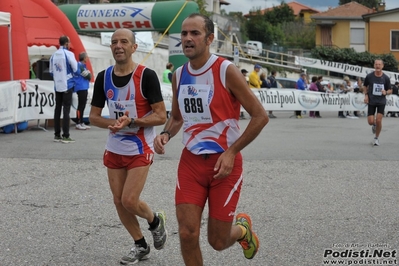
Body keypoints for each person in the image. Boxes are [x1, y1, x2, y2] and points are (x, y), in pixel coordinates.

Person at [153, 13, 268, 265]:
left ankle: (242, 231)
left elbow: (260, 116)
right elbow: (177, 117)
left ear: (209, 39)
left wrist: (231, 152)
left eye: (194, 33)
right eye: (183, 34)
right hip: (191, 163)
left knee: (217, 241)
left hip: (224, 164)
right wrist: (165, 133)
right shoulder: (179, 74)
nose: (187, 38)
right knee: (186, 233)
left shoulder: (226, 70)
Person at [89, 28, 168, 264]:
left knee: (129, 200)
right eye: (114, 42)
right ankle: (140, 244)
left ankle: (155, 221)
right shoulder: (104, 77)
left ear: (134, 47)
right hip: (114, 148)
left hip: (140, 148)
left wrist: (132, 121)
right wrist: (113, 123)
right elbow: (93, 117)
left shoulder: (146, 76)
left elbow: (161, 116)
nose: (118, 45)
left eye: (124, 41)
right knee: (118, 200)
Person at [49, 35, 79, 143]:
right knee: (66, 110)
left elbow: (51, 71)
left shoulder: (53, 55)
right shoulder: (69, 54)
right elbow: (76, 69)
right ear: (66, 43)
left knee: (57, 109)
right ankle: (66, 135)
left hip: (58, 85)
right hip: (67, 84)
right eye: (69, 42)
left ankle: (57, 135)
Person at [363, 59, 392, 146]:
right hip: (372, 101)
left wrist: (386, 92)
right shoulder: (369, 76)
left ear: (382, 66)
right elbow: (365, 86)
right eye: (376, 64)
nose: (378, 66)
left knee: (379, 120)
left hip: (381, 101)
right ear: (374, 66)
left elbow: (390, 90)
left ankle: (376, 138)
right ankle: (374, 125)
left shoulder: (386, 78)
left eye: (379, 64)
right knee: (371, 122)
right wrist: (366, 95)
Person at [74, 52, 92, 130]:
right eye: (86, 57)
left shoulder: (84, 66)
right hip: (80, 87)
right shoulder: (79, 65)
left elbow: (89, 76)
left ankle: (81, 122)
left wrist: (88, 74)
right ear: (84, 58)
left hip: (84, 87)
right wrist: (88, 74)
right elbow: (88, 76)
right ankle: (78, 122)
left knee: (83, 105)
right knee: (80, 105)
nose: (87, 58)